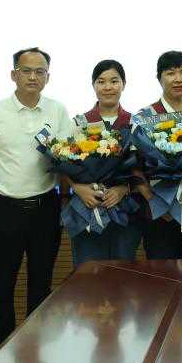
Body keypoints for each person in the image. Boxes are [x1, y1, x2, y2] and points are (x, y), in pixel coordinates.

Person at [0, 47, 74, 351]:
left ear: (48, 76)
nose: (33, 77)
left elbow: (68, 159)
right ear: (13, 74)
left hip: (46, 208)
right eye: (26, 71)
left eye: (39, 71)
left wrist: (66, 199)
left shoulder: (57, 111)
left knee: (41, 285)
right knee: (2, 285)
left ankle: (36, 350)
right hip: (4, 208)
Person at [67, 59, 143, 265]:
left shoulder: (136, 123)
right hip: (87, 206)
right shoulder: (78, 123)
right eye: (101, 82)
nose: (108, 87)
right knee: (88, 273)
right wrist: (78, 188)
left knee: (123, 272)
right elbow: (63, 163)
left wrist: (124, 189)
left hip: (126, 209)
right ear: (93, 85)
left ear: (124, 84)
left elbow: (144, 167)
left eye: (114, 81)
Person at [138, 50, 182, 259]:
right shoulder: (145, 116)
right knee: (160, 270)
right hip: (158, 210)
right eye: (170, 73)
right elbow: (134, 166)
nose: (178, 79)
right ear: (159, 78)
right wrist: (154, 201)